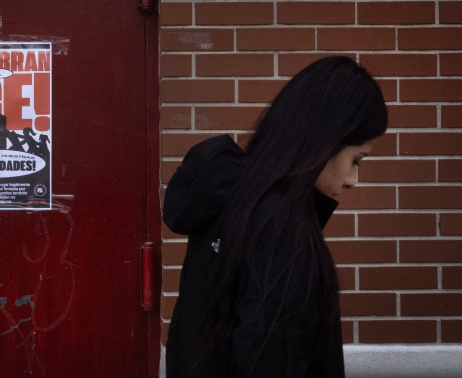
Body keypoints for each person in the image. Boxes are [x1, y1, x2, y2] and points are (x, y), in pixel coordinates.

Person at [163, 56, 387, 378]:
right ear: (324, 143)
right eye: (356, 160)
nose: (353, 180)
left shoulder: (228, 198)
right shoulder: (283, 230)